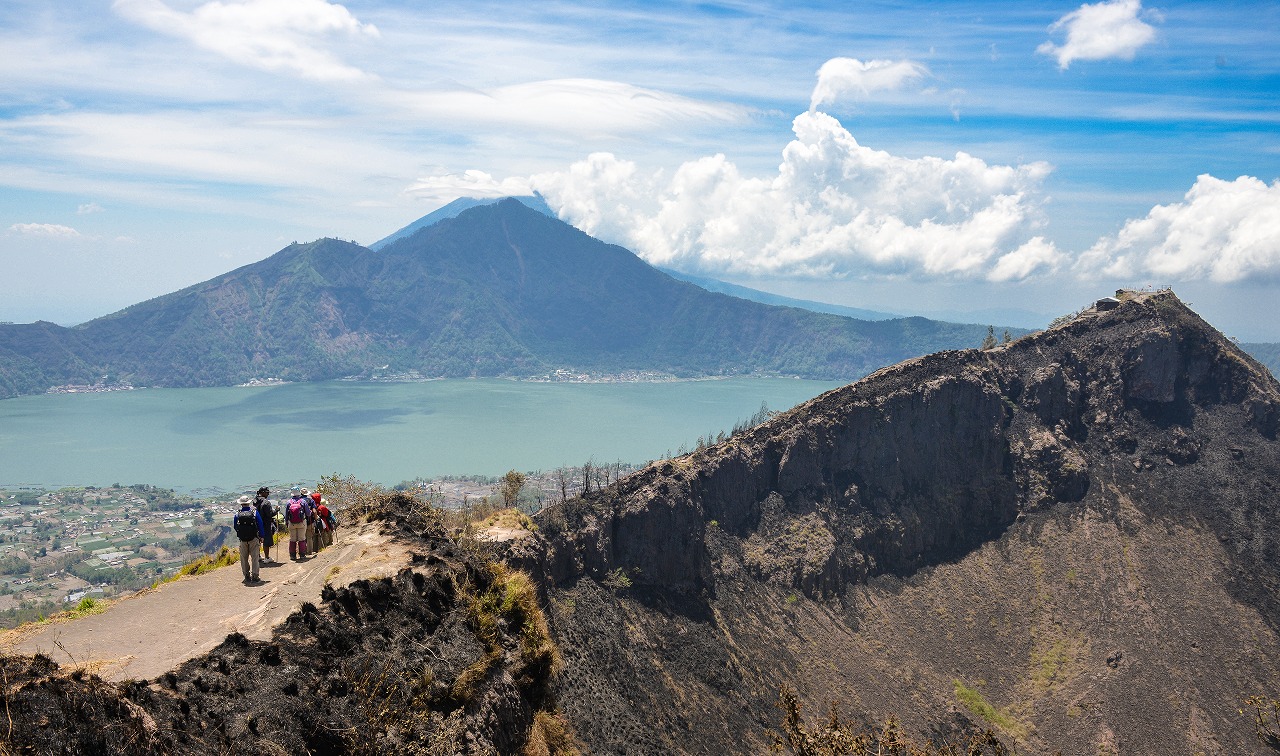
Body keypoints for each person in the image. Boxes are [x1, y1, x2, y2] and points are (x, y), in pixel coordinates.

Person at [232, 495, 264, 583]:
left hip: (242, 540)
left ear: (241, 504)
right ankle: (255, 576)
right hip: (254, 538)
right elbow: (260, 524)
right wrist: (261, 536)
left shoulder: (237, 514)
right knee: (255, 558)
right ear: (248, 503)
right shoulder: (254, 512)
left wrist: (242, 534)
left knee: (243, 558)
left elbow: (235, 526)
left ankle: (246, 575)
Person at [284, 486, 313, 560]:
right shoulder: (303, 501)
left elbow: (286, 515)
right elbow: (308, 514)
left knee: (292, 539)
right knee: (302, 538)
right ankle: (302, 555)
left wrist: (287, 522)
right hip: (301, 522)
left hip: (292, 523)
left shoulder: (288, 502)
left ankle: (292, 555)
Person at [254, 487, 277, 564]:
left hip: (256, 524)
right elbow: (270, 514)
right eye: (267, 492)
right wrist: (276, 511)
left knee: (258, 540)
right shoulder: (266, 502)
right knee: (266, 541)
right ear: (263, 493)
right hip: (265, 524)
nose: (268, 494)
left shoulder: (255, 501)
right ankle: (267, 557)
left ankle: (258, 556)